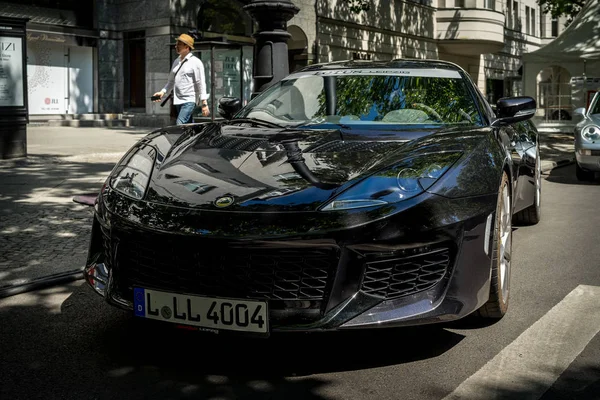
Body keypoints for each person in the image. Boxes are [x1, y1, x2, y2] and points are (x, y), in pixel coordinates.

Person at [152, 33, 209, 125]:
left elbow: (201, 83)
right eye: (176, 44)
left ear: (187, 47)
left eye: (179, 44)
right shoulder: (176, 62)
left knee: (180, 124)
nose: (176, 46)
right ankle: (196, 138)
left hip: (189, 100)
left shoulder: (196, 62)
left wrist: (204, 103)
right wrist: (162, 92)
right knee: (188, 125)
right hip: (178, 100)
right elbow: (171, 82)